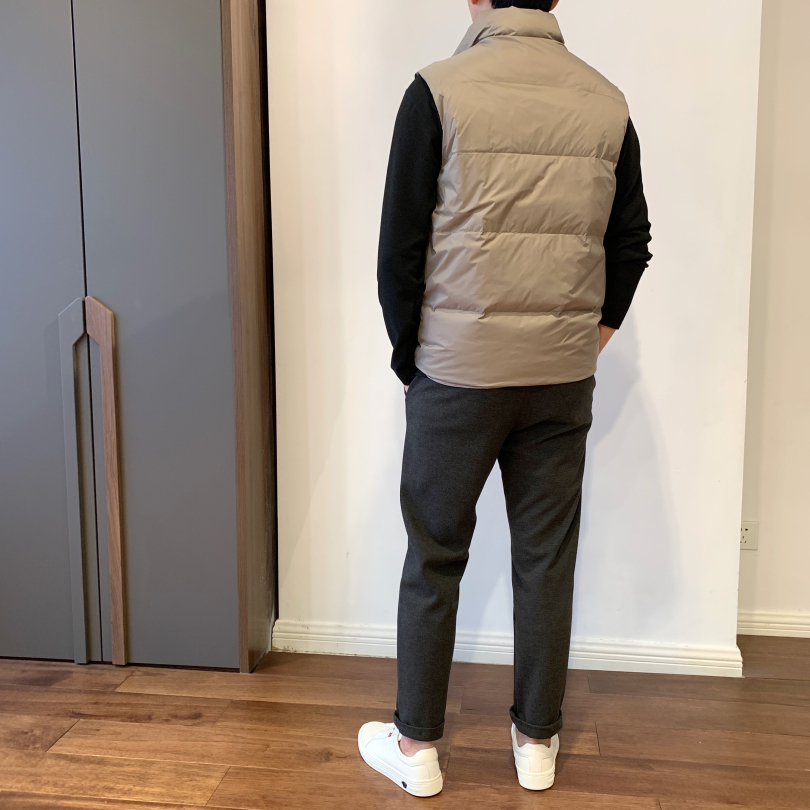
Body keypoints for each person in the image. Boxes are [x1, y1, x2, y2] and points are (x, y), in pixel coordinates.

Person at [358, 0, 652, 797]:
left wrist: (410, 359)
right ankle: (536, 743)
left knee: (434, 555)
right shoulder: (606, 101)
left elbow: (398, 248)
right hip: (559, 376)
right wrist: (587, 338)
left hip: (456, 374)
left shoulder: (437, 90)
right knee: (546, 559)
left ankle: (416, 749)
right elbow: (631, 243)